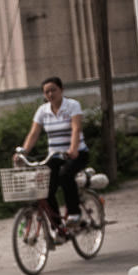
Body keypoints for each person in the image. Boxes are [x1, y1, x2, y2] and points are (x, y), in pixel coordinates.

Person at [20, 76, 86, 228]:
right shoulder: (42, 111)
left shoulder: (72, 105)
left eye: (53, 90)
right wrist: (23, 152)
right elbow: (34, 133)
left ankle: (74, 214)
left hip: (77, 153)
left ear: (61, 90)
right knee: (45, 187)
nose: (50, 94)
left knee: (65, 175)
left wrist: (73, 149)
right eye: (46, 92)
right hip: (55, 156)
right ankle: (57, 226)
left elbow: (76, 128)